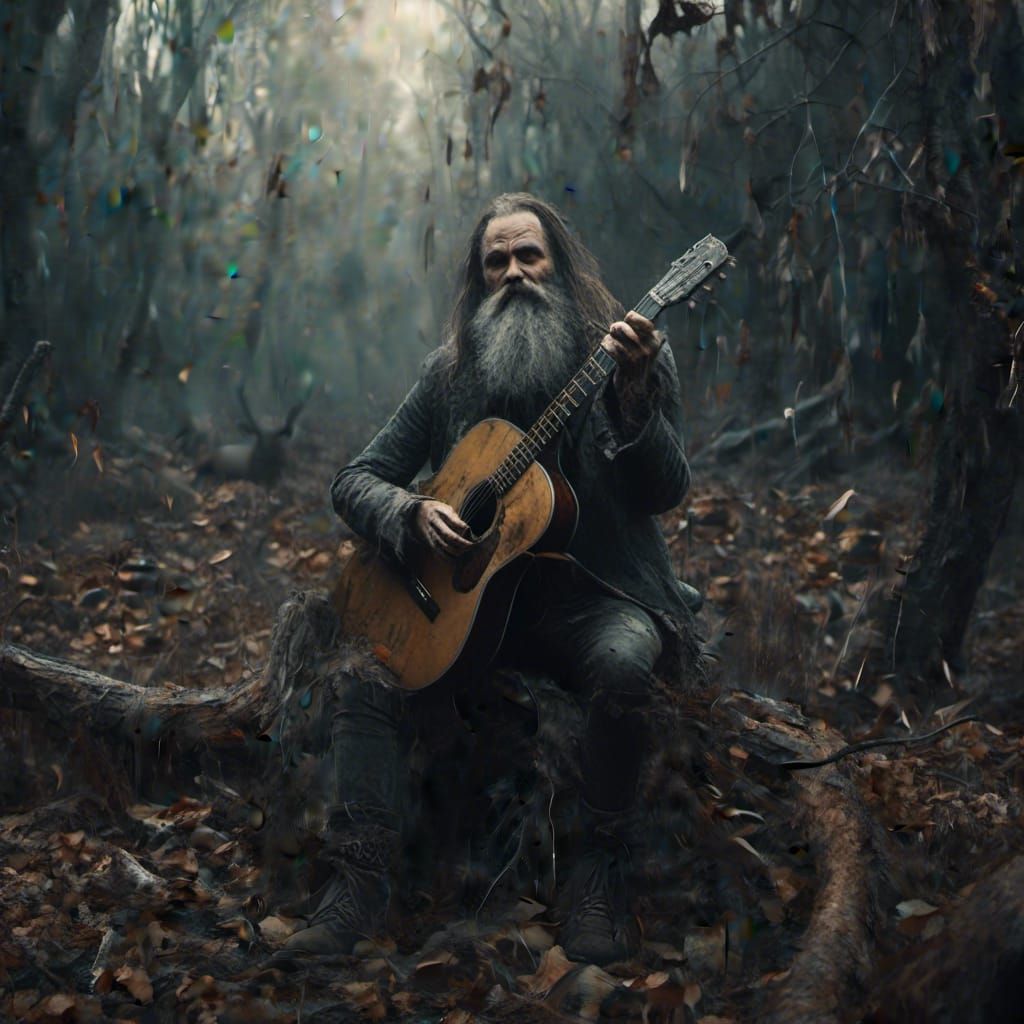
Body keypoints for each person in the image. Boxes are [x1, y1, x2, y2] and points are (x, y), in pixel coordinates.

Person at [282, 193, 701, 965]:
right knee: (367, 677)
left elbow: (666, 491)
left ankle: (596, 875)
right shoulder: (448, 375)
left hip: (598, 597)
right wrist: (407, 512)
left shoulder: (630, 356)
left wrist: (636, 404)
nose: (514, 274)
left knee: (624, 663)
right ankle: (354, 890)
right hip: (472, 609)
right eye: (496, 262)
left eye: (529, 256)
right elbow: (355, 478)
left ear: (561, 266)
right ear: (478, 281)